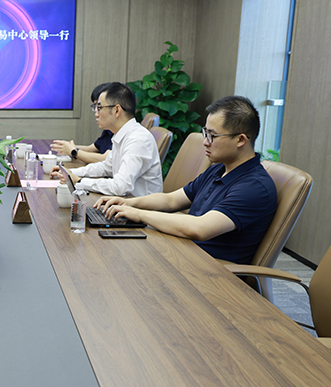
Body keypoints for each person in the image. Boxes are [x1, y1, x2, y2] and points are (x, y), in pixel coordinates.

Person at [96, 95, 277, 264]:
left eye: (212, 136)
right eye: (205, 133)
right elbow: (171, 200)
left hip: (207, 270)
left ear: (240, 140)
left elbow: (200, 228)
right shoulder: (219, 170)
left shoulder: (254, 187)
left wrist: (139, 214)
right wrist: (129, 203)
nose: (205, 142)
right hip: (182, 252)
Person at [49, 81, 162, 197]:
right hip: (125, 202)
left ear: (117, 110)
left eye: (99, 107)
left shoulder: (138, 139)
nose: (96, 113)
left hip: (139, 206)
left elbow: (120, 186)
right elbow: (105, 167)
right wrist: (70, 173)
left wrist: (79, 181)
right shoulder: (122, 135)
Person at [50, 82, 115, 164]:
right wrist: (68, 147)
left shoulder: (123, 133)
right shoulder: (109, 130)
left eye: (99, 107)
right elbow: (92, 149)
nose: (96, 111)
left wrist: (74, 151)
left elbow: (105, 159)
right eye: (95, 106)